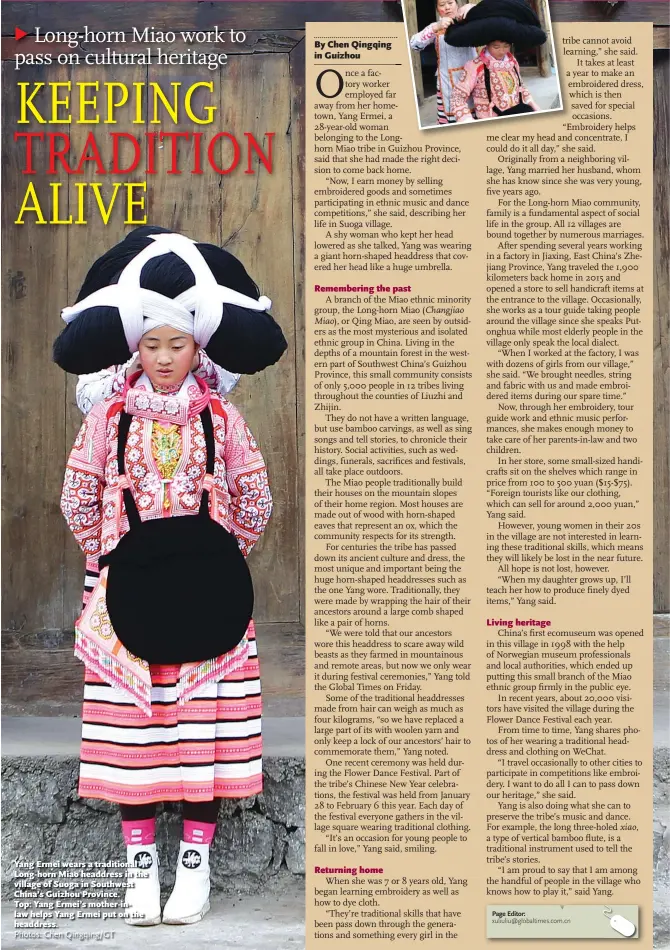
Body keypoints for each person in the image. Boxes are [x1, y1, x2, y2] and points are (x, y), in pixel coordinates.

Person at [54, 226, 287, 927]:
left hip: (205, 602)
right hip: (126, 598)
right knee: (137, 740)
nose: (163, 358)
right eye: (151, 345)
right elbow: (77, 495)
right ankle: (139, 869)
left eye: (176, 345)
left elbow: (256, 498)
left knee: (197, 737)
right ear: (134, 347)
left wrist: (217, 560)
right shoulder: (107, 419)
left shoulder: (222, 417)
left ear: (198, 348)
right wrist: (114, 558)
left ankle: (195, 863)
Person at [445, 0, 546, 121]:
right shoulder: (475, 66)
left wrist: (532, 104)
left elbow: (521, 87)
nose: (502, 50)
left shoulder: (512, 62)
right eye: (496, 47)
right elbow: (457, 97)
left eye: (506, 46)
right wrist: (467, 120)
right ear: (487, 45)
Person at [409, 0, 476, 124]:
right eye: (442, 5)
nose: (447, 8)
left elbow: (490, 13)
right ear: (437, 9)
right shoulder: (436, 27)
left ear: (457, 4)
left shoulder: (470, 19)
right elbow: (414, 44)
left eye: (450, 3)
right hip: (447, 84)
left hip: (472, 83)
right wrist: (436, 27)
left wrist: (471, 7)